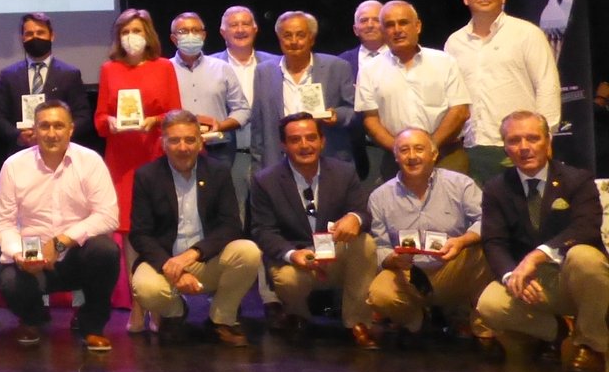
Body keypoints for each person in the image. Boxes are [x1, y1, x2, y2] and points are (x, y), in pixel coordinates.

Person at [476, 111, 609, 372]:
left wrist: (537, 255)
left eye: (532, 138)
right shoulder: (496, 188)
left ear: (548, 141)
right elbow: (494, 242)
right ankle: (557, 333)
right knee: (489, 304)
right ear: (505, 147)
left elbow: (586, 227)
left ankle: (592, 344)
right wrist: (511, 276)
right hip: (532, 282)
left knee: (585, 257)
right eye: (514, 140)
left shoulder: (577, 179)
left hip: (574, 276)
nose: (524, 147)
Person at [0, 99, 121, 349]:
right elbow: (4, 223)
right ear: (34, 130)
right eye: (45, 126)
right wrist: (19, 255)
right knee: (10, 281)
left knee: (105, 251)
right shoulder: (14, 165)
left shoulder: (90, 161)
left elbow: (108, 215)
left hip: (77, 255)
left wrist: (61, 242)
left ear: (71, 129)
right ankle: (33, 319)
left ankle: (91, 325)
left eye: (59, 126)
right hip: (33, 257)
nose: (51, 133)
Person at [129, 110, 259, 346]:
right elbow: (140, 234)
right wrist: (171, 267)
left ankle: (221, 320)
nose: (183, 147)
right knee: (145, 288)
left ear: (200, 142)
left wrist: (193, 254)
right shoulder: (147, 176)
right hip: (164, 261)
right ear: (163, 143)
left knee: (248, 251)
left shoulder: (218, 172)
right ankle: (174, 314)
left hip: (206, 258)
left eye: (190, 140)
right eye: (175, 140)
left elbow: (230, 225)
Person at [248, 113, 377, 347]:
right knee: (287, 280)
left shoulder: (344, 172)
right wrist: (292, 254)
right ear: (283, 145)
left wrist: (355, 218)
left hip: (335, 256)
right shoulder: (264, 181)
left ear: (322, 141)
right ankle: (298, 318)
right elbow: (263, 231)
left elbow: (364, 213)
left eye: (311, 138)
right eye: (295, 140)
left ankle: (358, 322)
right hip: (296, 261)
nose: (305, 145)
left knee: (365, 243)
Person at [94, 8, 180, 326]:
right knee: (129, 230)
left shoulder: (164, 67)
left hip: (154, 154)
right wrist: (110, 122)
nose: (132, 37)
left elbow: (175, 113)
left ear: (149, 35)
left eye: (138, 31)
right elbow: (99, 119)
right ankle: (137, 305)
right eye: (126, 31)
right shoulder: (109, 69)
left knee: (157, 226)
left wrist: (154, 121)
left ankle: (156, 301)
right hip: (122, 160)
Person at [365, 126, 490, 343]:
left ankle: (480, 326)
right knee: (379, 295)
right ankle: (417, 321)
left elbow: (487, 221)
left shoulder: (460, 185)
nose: (412, 156)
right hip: (408, 273)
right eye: (404, 150)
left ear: (434, 154)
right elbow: (379, 246)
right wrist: (392, 259)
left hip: (452, 265)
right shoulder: (379, 197)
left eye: (419, 149)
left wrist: (462, 241)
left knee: (485, 251)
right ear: (396, 157)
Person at [443, 0, 561, 183]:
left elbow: (547, 85)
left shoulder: (527, 33)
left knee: (528, 203)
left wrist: (545, 137)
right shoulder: (454, 42)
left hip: (520, 145)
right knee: (481, 205)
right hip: (472, 147)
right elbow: (451, 96)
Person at [356, 0, 471, 178]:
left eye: (403, 23)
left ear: (417, 26)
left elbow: (460, 111)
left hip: (446, 155)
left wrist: (431, 146)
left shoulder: (445, 62)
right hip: (396, 159)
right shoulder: (369, 70)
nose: (397, 30)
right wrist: (400, 149)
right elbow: (370, 119)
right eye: (390, 25)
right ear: (383, 31)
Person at [248, 11, 355, 168]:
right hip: (278, 163)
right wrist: (257, 168)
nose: (294, 41)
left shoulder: (337, 67)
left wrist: (337, 115)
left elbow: (354, 111)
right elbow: (258, 125)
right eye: (287, 35)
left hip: (327, 159)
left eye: (300, 35)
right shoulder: (264, 71)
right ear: (279, 38)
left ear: (312, 38)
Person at [0, 11, 94, 169]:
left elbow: (83, 116)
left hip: (61, 156)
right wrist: (18, 136)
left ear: (52, 36)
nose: (35, 37)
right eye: (29, 34)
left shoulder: (70, 74)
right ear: (22, 38)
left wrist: (58, 133)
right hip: (20, 155)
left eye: (40, 33)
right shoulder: (8, 75)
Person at [210, 5, 278, 204]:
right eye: (233, 25)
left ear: (255, 29)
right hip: (226, 156)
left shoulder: (276, 64)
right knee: (232, 214)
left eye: (246, 24)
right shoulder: (209, 65)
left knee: (269, 213)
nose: (240, 30)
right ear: (222, 32)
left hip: (269, 155)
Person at [166, 11, 248, 167]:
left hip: (218, 149)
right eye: (183, 31)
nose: (191, 35)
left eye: (196, 30)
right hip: (179, 149)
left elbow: (242, 110)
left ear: (203, 35)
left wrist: (220, 125)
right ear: (173, 38)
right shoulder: (165, 69)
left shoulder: (222, 68)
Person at [339, 0, 389, 182]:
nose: (370, 25)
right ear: (355, 29)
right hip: (355, 153)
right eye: (364, 20)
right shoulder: (340, 63)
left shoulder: (403, 58)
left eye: (376, 19)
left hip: (396, 147)